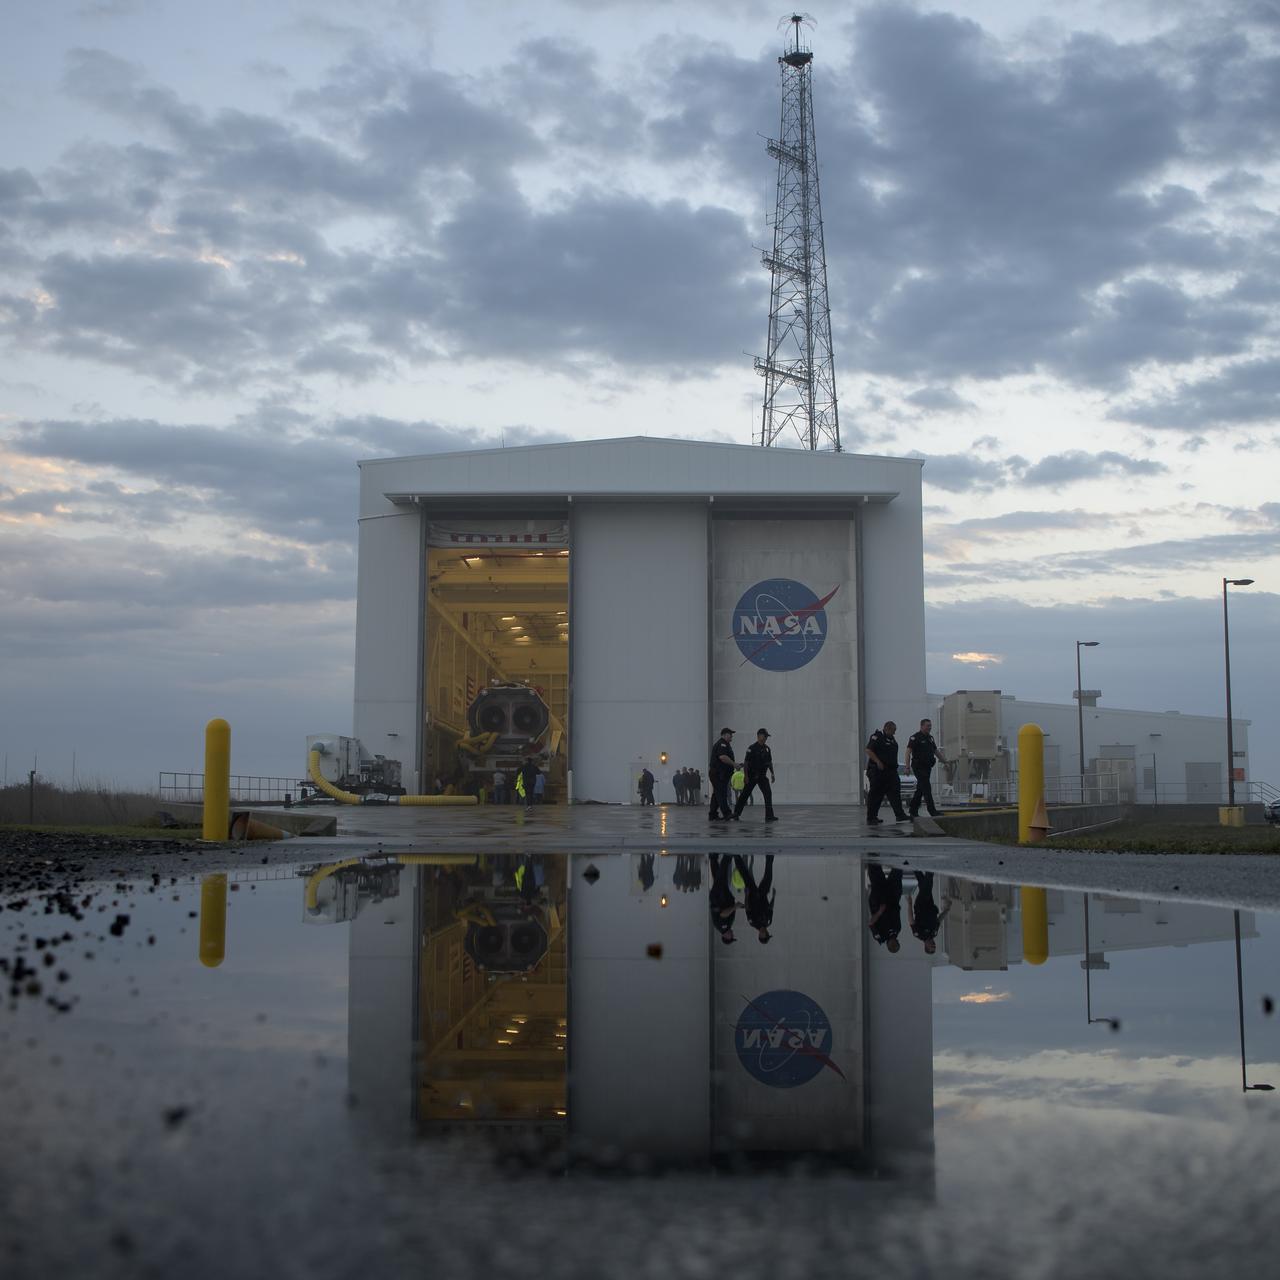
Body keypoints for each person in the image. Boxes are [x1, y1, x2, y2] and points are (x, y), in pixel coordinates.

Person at [865, 720, 909, 824]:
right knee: (876, 795)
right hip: (879, 771)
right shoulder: (877, 737)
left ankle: (900, 815)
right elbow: (868, 750)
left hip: (891, 771)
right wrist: (878, 761)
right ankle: (871, 817)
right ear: (886, 728)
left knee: (895, 793)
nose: (894, 733)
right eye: (893, 730)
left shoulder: (892, 739)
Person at [733, 728, 778, 822]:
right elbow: (746, 763)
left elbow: (769, 762)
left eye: (766, 736)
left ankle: (769, 816)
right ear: (759, 736)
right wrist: (746, 776)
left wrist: (772, 773)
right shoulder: (752, 748)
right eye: (765, 736)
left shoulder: (767, 749)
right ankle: (736, 813)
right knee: (745, 794)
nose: (766, 738)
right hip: (752, 775)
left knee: (768, 794)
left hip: (762, 776)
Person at [906, 718, 944, 818]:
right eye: (927, 725)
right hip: (918, 767)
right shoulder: (915, 737)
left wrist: (945, 761)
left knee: (920, 789)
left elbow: (936, 752)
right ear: (922, 726)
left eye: (930, 725)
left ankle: (913, 810)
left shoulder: (930, 738)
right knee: (927, 788)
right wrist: (907, 766)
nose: (929, 727)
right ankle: (932, 811)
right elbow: (908, 752)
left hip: (927, 767)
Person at [734, 854, 775, 942]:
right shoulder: (768, 922)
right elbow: (770, 908)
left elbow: (747, 909)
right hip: (763, 894)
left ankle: (736, 857)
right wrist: (773, 897)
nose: (765, 932)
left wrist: (747, 895)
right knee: (768, 877)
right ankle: (769, 857)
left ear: (760, 935)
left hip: (753, 895)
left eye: (764, 935)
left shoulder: (753, 923)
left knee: (746, 875)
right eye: (767, 934)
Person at [908, 870, 949, 955]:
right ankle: (914, 866)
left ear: (926, 946)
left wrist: (909, 904)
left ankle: (930, 869)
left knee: (928, 885)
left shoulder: (918, 934)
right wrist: (946, 911)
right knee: (923, 883)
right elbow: (939, 920)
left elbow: (911, 920)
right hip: (930, 904)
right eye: (934, 946)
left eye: (931, 946)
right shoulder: (934, 933)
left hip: (921, 905)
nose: (933, 944)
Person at [867, 864, 903, 952]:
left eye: (893, 944)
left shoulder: (880, 937)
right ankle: (901, 860)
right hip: (892, 899)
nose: (894, 942)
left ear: (888, 945)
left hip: (879, 902)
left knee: (876, 875)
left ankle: (873, 855)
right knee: (898, 872)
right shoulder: (897, 930)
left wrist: (879, 912)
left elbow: (871, 923)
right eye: (896, 943)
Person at [708, 853, 738, 944]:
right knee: (718, 877)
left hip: (718, 898)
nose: (733, 935)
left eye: (731, 937)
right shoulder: (726, 927)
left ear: (725, 937)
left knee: (721, 877)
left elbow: (723, 914)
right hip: (722, 897)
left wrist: (735, 907)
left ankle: (726, 857)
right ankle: (713, 857)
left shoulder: (722, 927)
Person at [707, 728, 736, 820]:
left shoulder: (726, 744)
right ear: (724, 734)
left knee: (717, 794)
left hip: (721, 774)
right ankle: (727, 813)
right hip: (718, 773)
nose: (731, 736)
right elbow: (722, 757)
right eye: (730, 734)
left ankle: (712, 814)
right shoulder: (722, 744)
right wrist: (734, 764)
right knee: (721, 793)